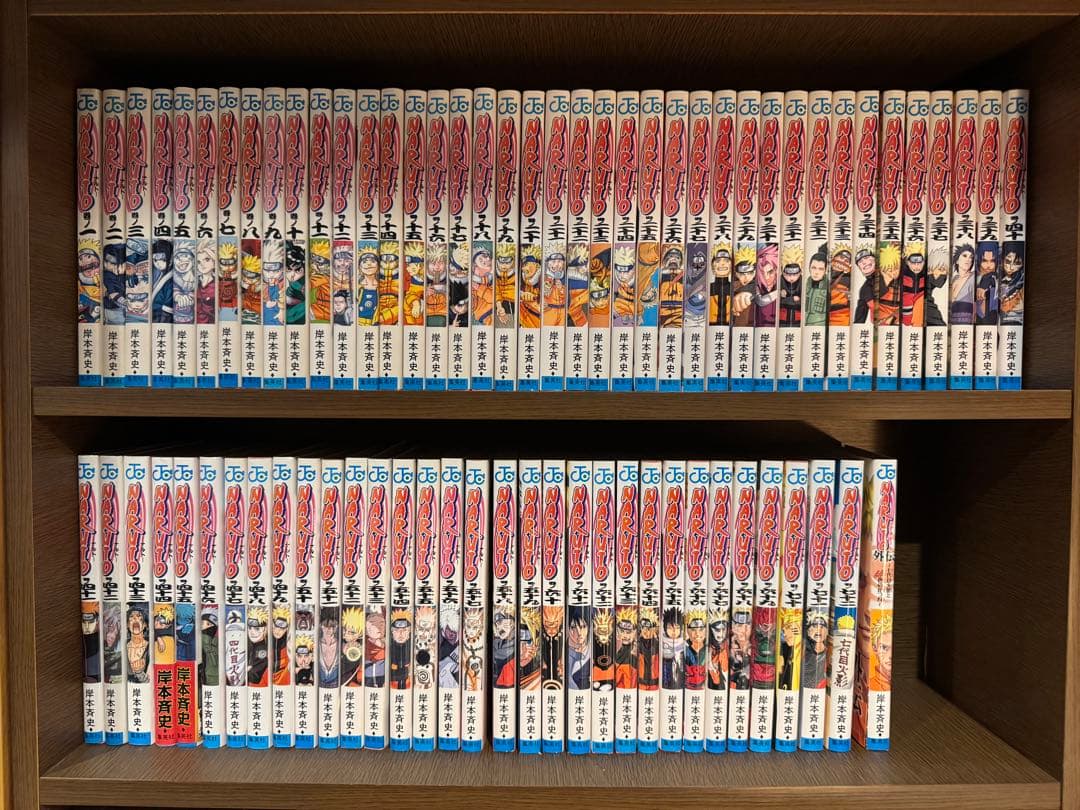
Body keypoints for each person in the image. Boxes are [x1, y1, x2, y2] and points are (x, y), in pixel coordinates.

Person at [566, 607, 591, 690]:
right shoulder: (565, 654)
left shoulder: (590, 650)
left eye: (583, 626)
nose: (579, 632)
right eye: (573, 627)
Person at [614, 607, 638, 689]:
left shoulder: (633, 654)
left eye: (628, 632)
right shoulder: (619, 651)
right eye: (622, 631)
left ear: (635, 632)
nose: (625, 635)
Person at [684, 609, 708, 689]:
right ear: (687, 630)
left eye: (701, 629)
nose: (697, 634)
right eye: (693, 630)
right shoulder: (684, 650)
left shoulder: (709, 649)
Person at [709, 245, 732, 325]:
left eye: (726, 260)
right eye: (718, 261)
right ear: (712, 266)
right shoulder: (709, 288)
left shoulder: (734, 288)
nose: (722, 264)